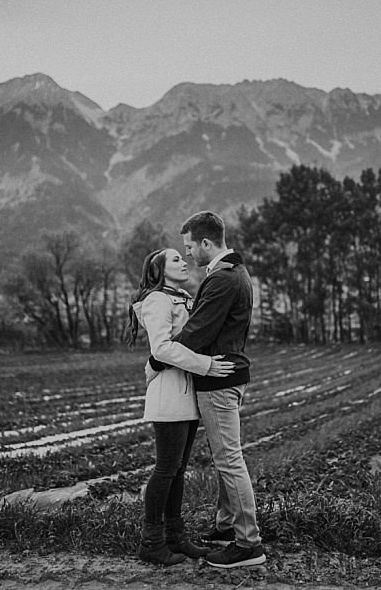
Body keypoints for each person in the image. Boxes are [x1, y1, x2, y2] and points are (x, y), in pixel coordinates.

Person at [151, 210, 265, 569]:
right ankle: (227, 526)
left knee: (229, 459)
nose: (188, 255)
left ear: (205, 243)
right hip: (227, 377)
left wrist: (157, 360)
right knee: (226, 459)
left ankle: (248, 544)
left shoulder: (222, 279)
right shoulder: (236, 273)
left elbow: (197, 332)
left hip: (219, 382)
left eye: (189, 247)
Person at [126, 247, 235, 566]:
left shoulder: (182, 298)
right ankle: (152, 542)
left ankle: (175, 538)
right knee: (165, 469)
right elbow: (161, 348)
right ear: (158, 270)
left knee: (177, 470)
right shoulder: (158, 300)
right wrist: (206, 365)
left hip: (186, 394)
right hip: (170, 394)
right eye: (175, 259)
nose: (183, 261)